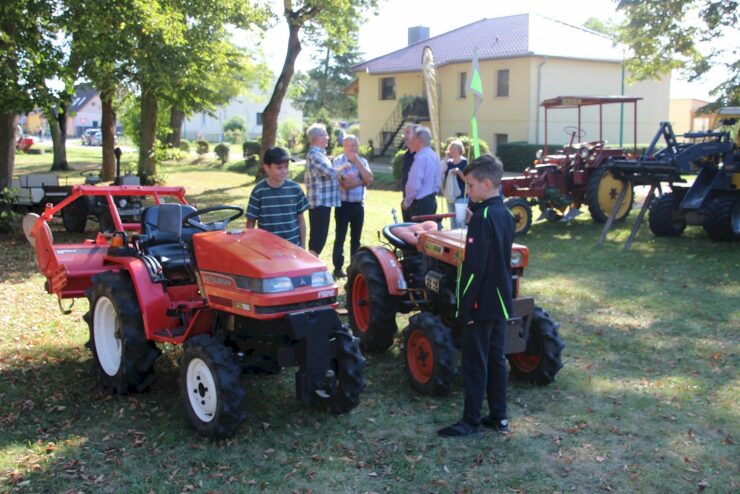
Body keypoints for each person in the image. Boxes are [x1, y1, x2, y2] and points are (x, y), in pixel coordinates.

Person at [438, 154, 514, 438]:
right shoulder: (503, 213)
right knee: (495, 359)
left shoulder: (483, 217)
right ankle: (499, 416)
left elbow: (473, 269)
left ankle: (470, 421)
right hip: (500, 299)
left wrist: (465, 307)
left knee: (475, 362)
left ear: (485, 183)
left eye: (470, 186)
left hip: (481, 302)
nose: (468, 191)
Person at [246, 147, 309, 247]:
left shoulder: (295, 189)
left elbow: (301, 220)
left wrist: (303, 246)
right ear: (267, 168)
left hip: (293, 247)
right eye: (279, 167)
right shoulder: (259, 191)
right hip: (267, 249)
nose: (284, 171)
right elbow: (250, 223)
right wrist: (251, 246)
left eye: (286, 167)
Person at [305, 123, 351, 256]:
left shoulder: (319, 155)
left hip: (323, 203)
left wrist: (343, 176)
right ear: (318, 137)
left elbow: (327, 175)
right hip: (319, 203)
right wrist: (344, 166)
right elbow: (331, 172)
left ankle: (312, 266)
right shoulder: (315, 155)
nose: (328, 137)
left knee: (319, 238)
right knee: (317, 239)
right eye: (325, 134)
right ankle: (311, 268)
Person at [331, 134, 374, 278]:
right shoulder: (338, 162)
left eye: (354, 145)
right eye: (349, 146)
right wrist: (362, 181)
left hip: (358, 205)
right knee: (340, 237)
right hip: (343, 205)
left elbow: (370, 178)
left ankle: (354, 268)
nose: (352, 148)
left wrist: (358, 163)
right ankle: (338, 268)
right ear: (343, 147)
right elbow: (345, 185)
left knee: (356, 238)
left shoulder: (362, 161)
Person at [402, 126, 441, 221]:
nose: (411, 141)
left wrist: (406, 202)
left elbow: (414, 185)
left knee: (415, 234)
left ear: (420, 140)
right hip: (431, 201)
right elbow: (438, 180)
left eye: (414, 138)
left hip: (419, 204)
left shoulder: (420, 157)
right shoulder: (434, 155)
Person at [442, 140, 468, 228]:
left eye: (455, 148)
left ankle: (462, 241)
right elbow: (441, 170)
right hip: (450, 195)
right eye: (451, 148)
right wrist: (446, 156)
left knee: (460, 222)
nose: (452, 150)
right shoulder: (448, 162)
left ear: (460, 150)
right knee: (452, 221)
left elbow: (467, 180)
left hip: (461, 196)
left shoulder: (464, 162)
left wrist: (459, 173)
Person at [399, 124, 417, 222]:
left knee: (418, 234)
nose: (404, 135)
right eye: (404, 132)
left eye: (407, 132)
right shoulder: (406, 154)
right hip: (407, 200)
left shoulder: (421, 155)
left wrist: (408, 201)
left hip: (419, 203)